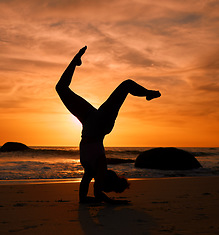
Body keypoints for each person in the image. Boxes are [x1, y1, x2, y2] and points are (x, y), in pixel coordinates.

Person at [56, 46, 161, 204]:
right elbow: (96, 195)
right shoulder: (99, 165)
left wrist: (104, 200)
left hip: (90, 121)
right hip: (99, 124)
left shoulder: (91, 170)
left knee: (61, 88)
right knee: (126, 85)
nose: (110, 172)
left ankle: (75, 61)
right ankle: (148, 94)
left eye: (112, 176)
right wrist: (113, 202)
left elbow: (84, 198)